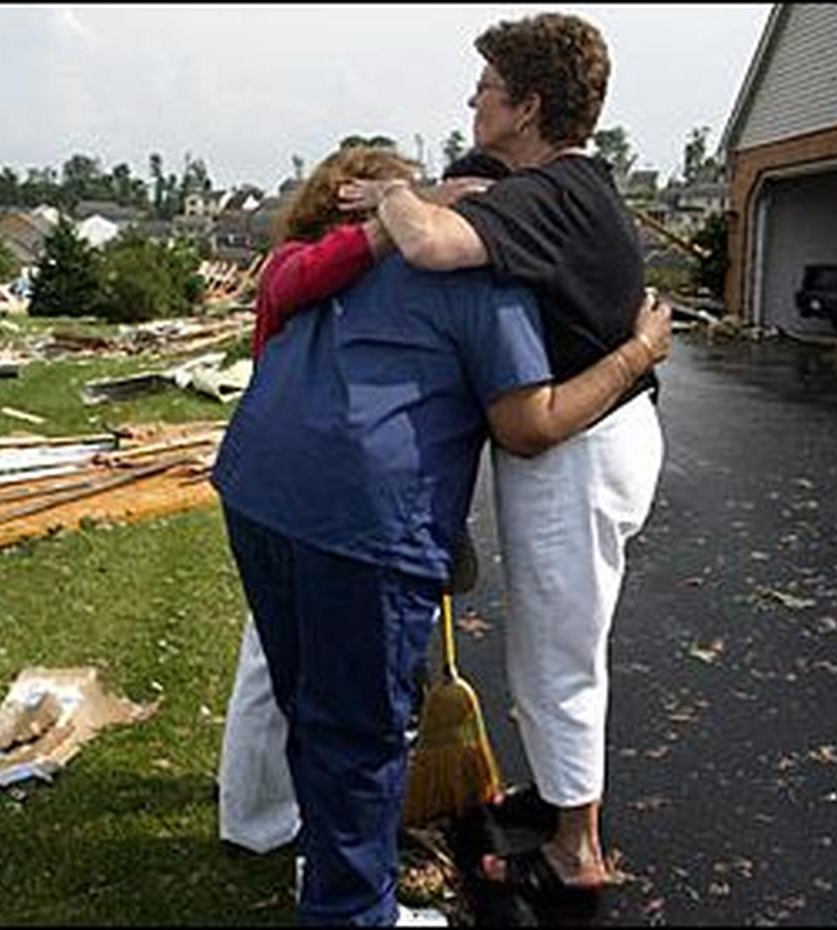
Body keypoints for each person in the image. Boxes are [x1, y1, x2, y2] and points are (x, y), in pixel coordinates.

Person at [211, 143, 669, 925]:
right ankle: (355, 913)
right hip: (358, 520)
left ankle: (325, 867)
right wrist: (638, 352)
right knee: (359, 733)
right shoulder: (480, 287)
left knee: (309, 704)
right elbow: (531, 425)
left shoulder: (333, 261)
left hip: (256, 488)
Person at [335, 12, 662, 899]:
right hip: (591, 437)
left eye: (485, 88)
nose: (471, 99)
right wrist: (425, 186)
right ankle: (562, 797)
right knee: (549, 641)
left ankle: (575, 850)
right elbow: (460, 187)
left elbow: (435, 243)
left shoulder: (557, 196)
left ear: (528, 105)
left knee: (559, 647)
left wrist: (391, 202)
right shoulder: (534, 178)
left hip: (581, 446)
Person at [216, 148, 513, 859]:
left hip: (287, 488)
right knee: (285, 680)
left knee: (308, 689)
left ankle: (301, 821)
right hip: (303, 492)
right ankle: (260, 821)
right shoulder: (300, 261)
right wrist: (407, 208)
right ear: (349, 200)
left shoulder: (380, 272)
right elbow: (304, 277)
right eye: (390, 190)